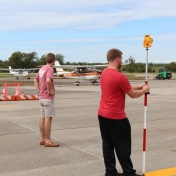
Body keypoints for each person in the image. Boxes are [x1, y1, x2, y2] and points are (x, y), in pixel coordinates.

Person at [98, 48, 150, 176]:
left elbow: (122, 87)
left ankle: (110, 171)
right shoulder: (119, 76)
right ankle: (129, 172)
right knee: (123, 146)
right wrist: (144, 90)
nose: (122, 61)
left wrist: (139, 86)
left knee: (108, 145)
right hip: (116, 117)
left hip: (102, 114)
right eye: (121, 58)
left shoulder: (104, 73)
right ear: (117, 59)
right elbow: (132, 94)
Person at [34, 53, 59, 147]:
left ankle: (43, 138)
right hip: (47, 98)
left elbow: (35, 80)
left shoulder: (42, 68)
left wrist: (38, 90)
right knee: (48, 118)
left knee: (42, 118)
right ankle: (48, 140)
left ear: (46, 60)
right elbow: (48, 80)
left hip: (41, 97)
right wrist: (50, 91)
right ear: (54, 61)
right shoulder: (49, 69)